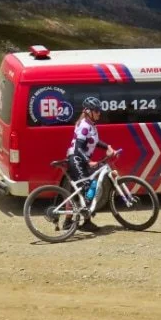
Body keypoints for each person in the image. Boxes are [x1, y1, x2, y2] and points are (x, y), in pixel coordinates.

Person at [66, 96, 116, 233]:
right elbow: (79, 148)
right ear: (88, 111)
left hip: (80, 159)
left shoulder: (91, 125)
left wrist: (108, 146)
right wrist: (88, 161)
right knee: (87, 188)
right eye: (97, 111)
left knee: (76, 190)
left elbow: (95, 142)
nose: (99, 113)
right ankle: (83, 220)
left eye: (99, 110)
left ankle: (69, 221)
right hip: (76, 158)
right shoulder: (84, 125)